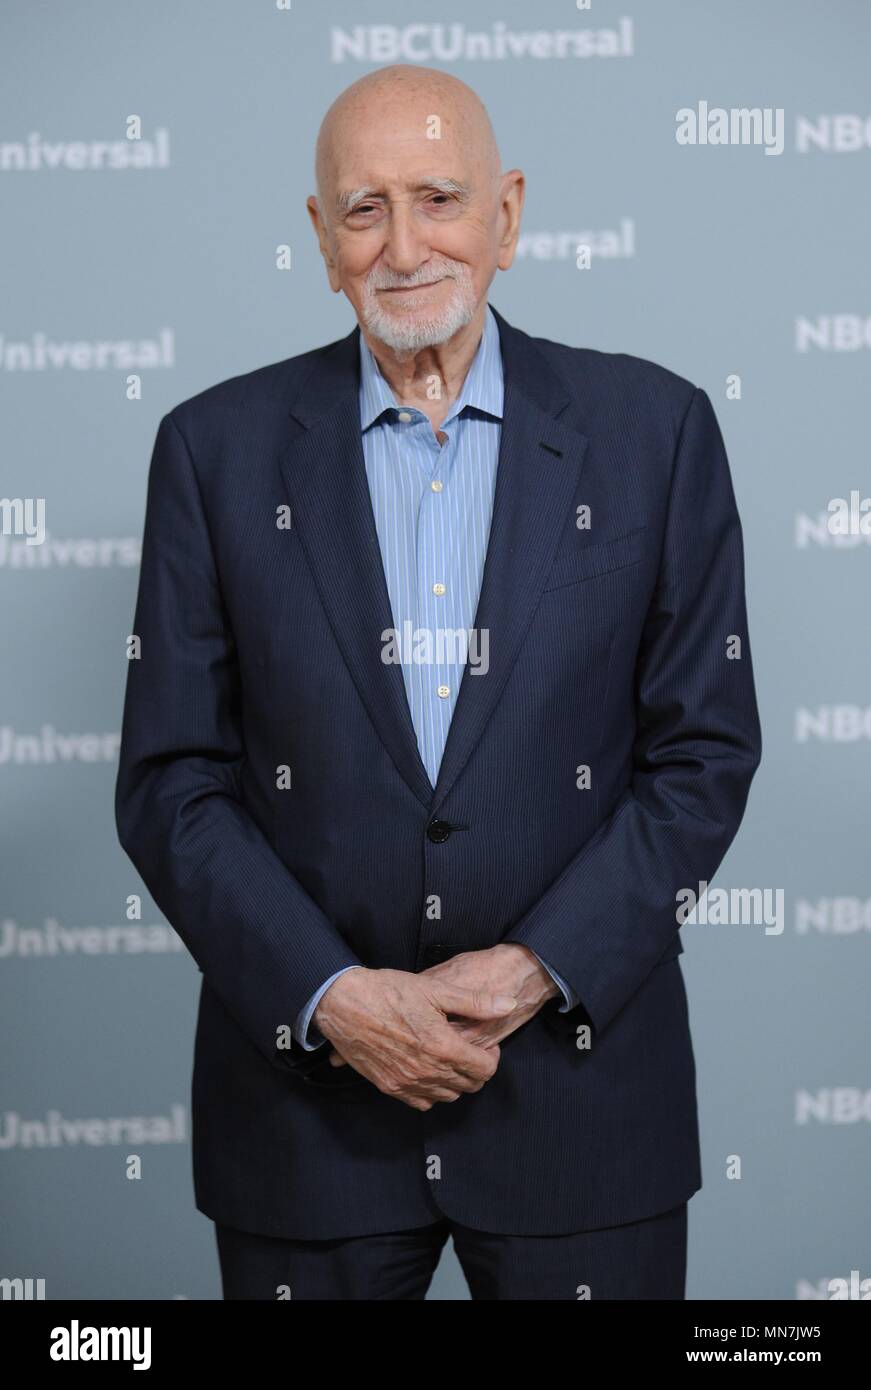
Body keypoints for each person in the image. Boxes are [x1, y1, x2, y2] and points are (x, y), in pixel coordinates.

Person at [115, 63, 762, 1300]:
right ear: (320, 238)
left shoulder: (656, 432)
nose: (404, 246)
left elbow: (703, 756)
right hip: (308, 1119)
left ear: (507, 217)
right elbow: (170, 783)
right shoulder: (210, 450)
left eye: (440, 197)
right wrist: (335, 997)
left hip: (582, 1108)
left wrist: (533, 968)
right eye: (364, 209)